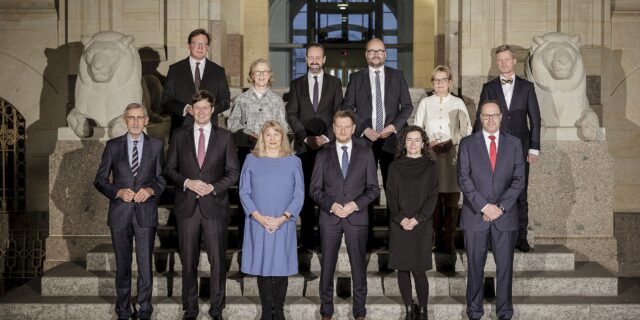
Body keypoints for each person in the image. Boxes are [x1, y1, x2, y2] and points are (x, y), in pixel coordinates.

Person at [164, 90, 240, 320]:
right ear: (191, 110)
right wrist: (187, 182)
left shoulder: (225, 137)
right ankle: (190, 308)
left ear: (213, 110)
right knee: (188, 261)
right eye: (197, 108)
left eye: (205, 108)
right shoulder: (179, 135)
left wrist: (213, 187)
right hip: (187, 207)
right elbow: (169, 169)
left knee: (217, 261)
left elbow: (233, 172)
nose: (201, 112)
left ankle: (217, 309)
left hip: (214, 206)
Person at [94, 103, 166, 320]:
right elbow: (99, 180)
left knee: (145, 266)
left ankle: (145, 311)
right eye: (131, 118)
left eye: (139, 118)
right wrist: (117, 192)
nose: (135, 122)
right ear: (125, 120)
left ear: (146, 120)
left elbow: (162, 179)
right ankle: (123, 311)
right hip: (120, 214)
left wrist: (151, 189)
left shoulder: (156, 145)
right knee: (123, 265)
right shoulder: (113, 146)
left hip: (146, 214)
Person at [343, 37, 413, 247]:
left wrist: (392, 127)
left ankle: (395, 239)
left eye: (380, 51)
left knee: (393, 190)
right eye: (371, 51)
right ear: (366, 54)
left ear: (385, 54)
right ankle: (367, 239)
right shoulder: (356, 78)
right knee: (366, 191)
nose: (376, 55)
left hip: (391, 140)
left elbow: (407, 107)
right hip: (365, 143)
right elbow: (347, 108)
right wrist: (364, 129)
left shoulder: (397, 76)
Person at [458, 100, 525, 320]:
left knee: (505, 269)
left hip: (505, 217)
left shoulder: (514, 143)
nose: (490, 120)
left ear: (501, 116)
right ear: (479, 118)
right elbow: (464, 178)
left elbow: (518, 180)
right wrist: (485, 206)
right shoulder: (467, 143)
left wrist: (500, 207)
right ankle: (474, 312)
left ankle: (504, 312)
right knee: (475, 267)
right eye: (486, 116)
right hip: (475, 215)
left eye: (494, 115)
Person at [310, 110, 380, 320]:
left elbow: (374, 189)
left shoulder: (366, 152)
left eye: (346, 126)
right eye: (338, 126)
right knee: (328, 266)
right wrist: (331, 205)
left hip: (356, 218)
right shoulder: (323, 153)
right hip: (330, 218)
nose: (342, 130)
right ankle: (326, 311)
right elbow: (314, 189)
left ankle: (359, 311)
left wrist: (354, 205)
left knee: (358, 267)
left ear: (353, 128)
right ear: (333, 128)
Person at [474, 44, 541, 252]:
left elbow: (536, 119)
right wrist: (477, 148)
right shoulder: (489, 87)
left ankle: (521, 238)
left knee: (521, 194)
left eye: (506, 59)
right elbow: (480, 119)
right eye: (499, 60)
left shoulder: (527, 87)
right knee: (495, 192)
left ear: (514, 61)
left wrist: (534, 148)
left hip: (521, 149)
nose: (503, 63)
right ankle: (495, 238)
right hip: (496, 148)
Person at [239, 120, 304, 320]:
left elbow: (299, 194)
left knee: (280, 266)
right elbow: (244, 192)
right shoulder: (251, 159)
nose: (273, 138)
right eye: (268, 134)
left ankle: (280, 311)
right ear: (262, 137)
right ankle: (267, 311)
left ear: (283, 137)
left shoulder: (294, 160)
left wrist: (283, 218)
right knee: (264, 266)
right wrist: (259, 217)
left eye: (277, 134)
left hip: (284, 222)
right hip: (259, 222)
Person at [285, 43, 343, 250]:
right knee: (308, 194)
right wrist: (305, 137)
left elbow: (338, 114)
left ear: (324, 59)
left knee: (328, 193)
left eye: (318, 57)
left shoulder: (335, 83)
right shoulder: (297, 84)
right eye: (311, 57)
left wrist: (326, 138)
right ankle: (308, 241)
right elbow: (291, 113)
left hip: (328, 148)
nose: (315, 61)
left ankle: (328, 240)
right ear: (306, 59)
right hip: (304, 148)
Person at [414, 65, 472, 253]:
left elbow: (467, 129)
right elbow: (417, 128)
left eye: (443, 80)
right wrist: (427, 142)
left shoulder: (457, 103)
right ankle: (435, 237)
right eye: (436, 80)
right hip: (431, 156)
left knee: (451, 199)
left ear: (450, 82)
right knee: (434, 198)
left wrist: (452, 141)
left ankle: (449, 239)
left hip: (452, 155)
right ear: (432, 82)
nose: (439, 83)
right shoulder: (425, 103)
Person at [386, 125, 438, 320]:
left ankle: (422, 310)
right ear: (404, 143)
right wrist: (401, 219)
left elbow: (433, 196)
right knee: (403, 267)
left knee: (418, 269)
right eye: (409, 139)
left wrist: (417, 219)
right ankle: (409, 309)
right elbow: (390, 195)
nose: (413, 143)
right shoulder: (395, 166)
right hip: (399, 223)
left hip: (421, 224)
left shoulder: (431, 166)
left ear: (423, 143)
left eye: (417, 140)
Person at [162, 28, 231, 134]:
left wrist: (208, 110)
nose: (200, 47)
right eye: (196, 43)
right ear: (188, 45)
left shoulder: (218, 71)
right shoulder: (175, 69)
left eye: (204, 44)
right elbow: (166, 100)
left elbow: (225, 101)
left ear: (207, 47)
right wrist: (185, 108)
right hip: (181, 128)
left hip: (209, 129)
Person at [228, 58, 290, 166]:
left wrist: (273, 136)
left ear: (270, 75)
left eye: (265, 72)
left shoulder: (277, 100)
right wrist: (249, 133)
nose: (261, 75)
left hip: (271, 151)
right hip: (247, 150)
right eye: (257, 72)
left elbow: (283, 125)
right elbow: (232, 124)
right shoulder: (241, 99)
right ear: (252, 75)